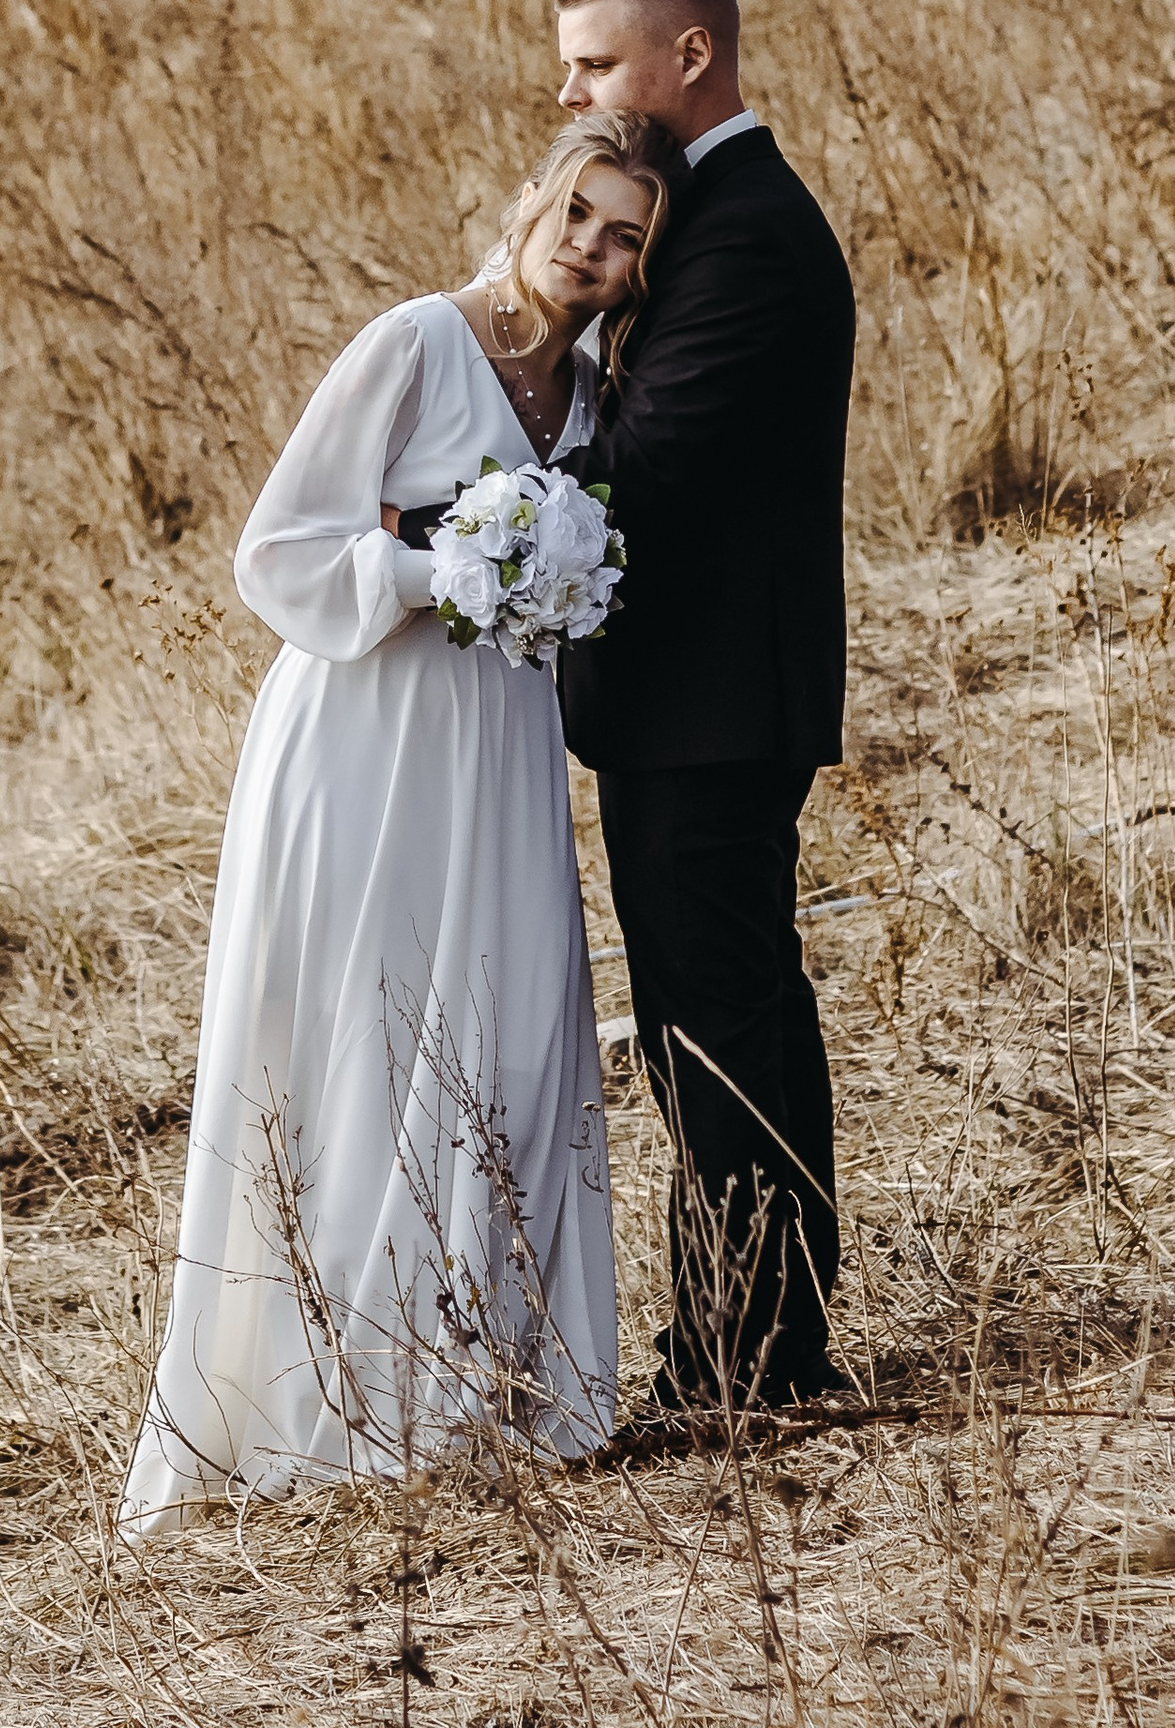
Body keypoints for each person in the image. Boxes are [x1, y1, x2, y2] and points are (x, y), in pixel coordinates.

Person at [118, 111, 685, 1531]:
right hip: (366, 731)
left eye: (626, 240)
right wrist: (449, 570)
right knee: (361, 1022)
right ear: (535, 204)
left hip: (498, 741)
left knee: (508, 1019)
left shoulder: (601, 385)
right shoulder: (420, 342)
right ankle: (336, 1383)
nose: (595, 255)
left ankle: (493, 1380)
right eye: (581, 219)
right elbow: (281, 549)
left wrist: (547, 585)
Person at [553, 0, 856, 1413]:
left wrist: (438, 525)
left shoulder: (744, 232)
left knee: (714, 1033)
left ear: (688, 57)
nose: (570, 92)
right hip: (698, 699)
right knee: (731, 1018)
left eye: (596, 63)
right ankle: (768, 1341)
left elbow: (645, 467)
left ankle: (746, 1363)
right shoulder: (708, 217)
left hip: (710, 703)